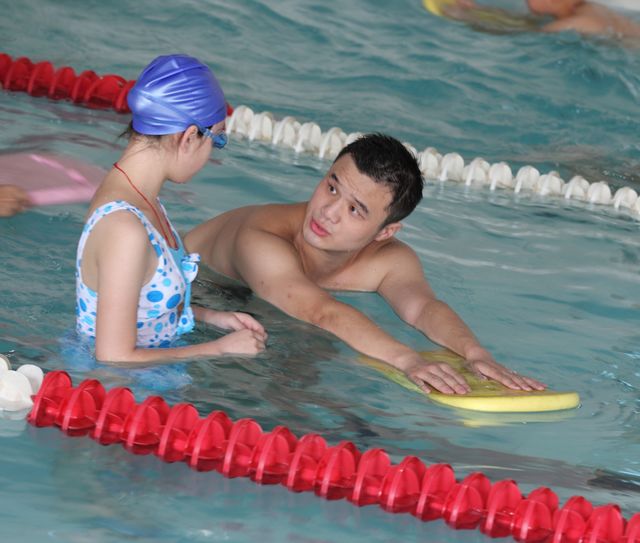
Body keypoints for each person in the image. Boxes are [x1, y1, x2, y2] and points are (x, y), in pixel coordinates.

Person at [185, 133, 545, 395]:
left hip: (260, 308)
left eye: (355, 210)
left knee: (315, 368)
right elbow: (320, 312)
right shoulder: (261, 237)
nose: (328, 212)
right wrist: (406, 359)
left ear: (385, 232)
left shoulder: (390, 259)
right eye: (332, 187)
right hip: (194, 297)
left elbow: (422, 308)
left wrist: (475, 353)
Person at [75, 54, 267, 365]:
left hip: (151, 380)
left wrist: (212, 317)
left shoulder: (140, 199)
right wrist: (218, 348)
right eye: (217, 140)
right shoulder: (125, 228)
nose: (212, 154)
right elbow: (113, 358)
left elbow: (141, 306)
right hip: (122, 390)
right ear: (189, 137)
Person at [429, 0, 640, 39]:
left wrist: (464, 18)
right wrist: (477, 10)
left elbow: (525, 36)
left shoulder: (578, 23)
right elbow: (523, 22)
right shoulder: (586, 8)